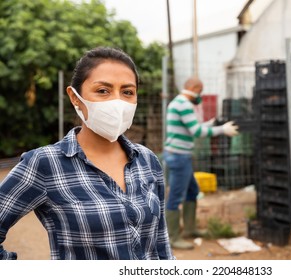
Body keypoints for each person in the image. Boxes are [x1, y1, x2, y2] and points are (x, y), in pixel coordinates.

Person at [0, 47, 175, 260]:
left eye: (127, 92)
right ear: (75, 97)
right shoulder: (45, 164)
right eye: (103, 90)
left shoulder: (147, 160)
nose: (117, 102)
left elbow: (160, 244)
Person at [163, 77, 239, 249]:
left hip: (181, 155)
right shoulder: (184, 104)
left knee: (192, 191)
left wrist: (208, 124)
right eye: (200, 90)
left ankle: (190, 229)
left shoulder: (179, 103)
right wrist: (222, 130)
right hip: (179, 156)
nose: (200, 94)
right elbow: (196, 132)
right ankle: (172, 238)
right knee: (175, 197)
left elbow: (189, 127)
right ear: (193, 88)